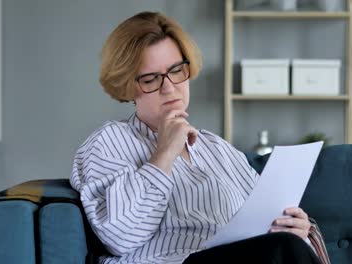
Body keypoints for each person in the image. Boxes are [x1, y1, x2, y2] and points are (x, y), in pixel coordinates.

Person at [70, 11, 330, 264]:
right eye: (151, 79)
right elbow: (119, 237)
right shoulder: (108, 143)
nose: (169, 87)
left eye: (176, 70)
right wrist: (164, 153)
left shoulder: (218, 149)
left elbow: (262, 230)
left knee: (287, 244)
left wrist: (294, 230)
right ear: (128, 85)